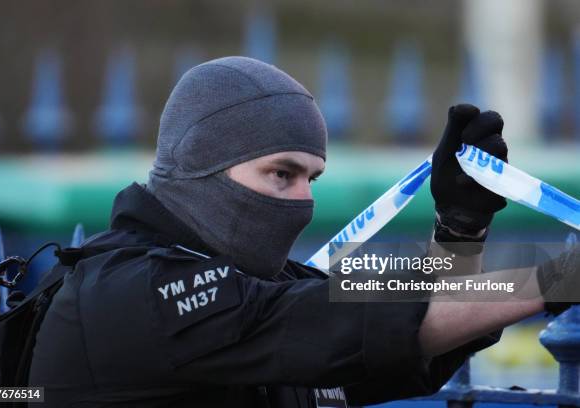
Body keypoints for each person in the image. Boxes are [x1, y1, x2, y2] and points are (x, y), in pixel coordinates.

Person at [28, 56, 572, 407]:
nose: (304, 200)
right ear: (202, 164)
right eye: (281, 174)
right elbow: (339, 321)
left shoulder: (263, 286)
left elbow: (390, 312)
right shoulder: (132, 291)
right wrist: (557, 279)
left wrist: (460, 228)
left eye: (312, 178)